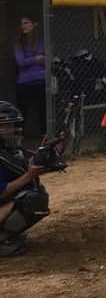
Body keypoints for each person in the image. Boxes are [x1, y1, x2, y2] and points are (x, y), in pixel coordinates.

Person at [0, 101, 53, 257]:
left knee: (32, 191)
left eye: (12, 125)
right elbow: (1, 193)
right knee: (31, 199)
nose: (12, 131)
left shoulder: (7, 152)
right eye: (5, 126)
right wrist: (29, 175)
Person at [13, 16, 46, 139]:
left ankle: (45, 137)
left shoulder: (41, 40)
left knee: (43, 111)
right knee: (22, 112)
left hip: (40, 81)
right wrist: (35, 58)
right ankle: (17, 139)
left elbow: (45, 59)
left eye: (26, 23)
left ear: (34, 24)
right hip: (24, 83)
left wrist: (30, 59)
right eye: (22, 23)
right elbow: (20, 62)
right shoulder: (19, 43)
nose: (23, 26)